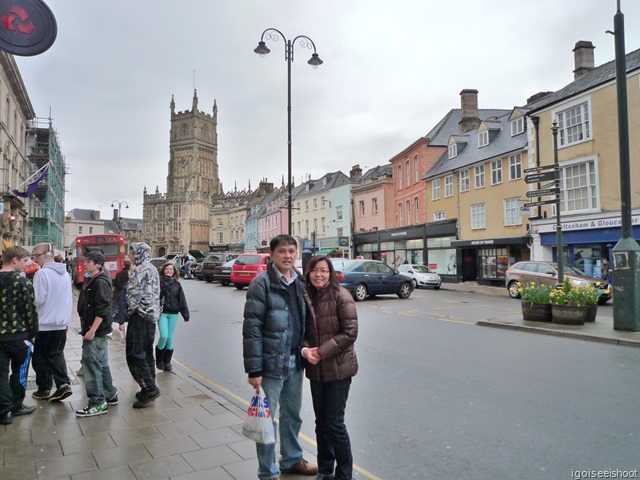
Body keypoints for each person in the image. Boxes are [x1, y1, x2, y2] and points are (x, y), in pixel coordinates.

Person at [242, 234, 318, 480]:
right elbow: (251, 328)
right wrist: (254, 370)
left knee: (292, 415)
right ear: (272, 254)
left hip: (295, 361)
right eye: (282, 251)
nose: (287, 256)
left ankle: (292, 460)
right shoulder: (261, 283)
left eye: (291, 251)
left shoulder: (300, 282)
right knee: (266, 420)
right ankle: (268, 472)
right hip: (270, 364)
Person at [302, 256, 358, 480]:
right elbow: (303, 332)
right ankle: (325, 470)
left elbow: (350, 334)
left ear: (330, 273)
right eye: (314, 270)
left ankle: (344, 474)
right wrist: (307, 351)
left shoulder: (341, 296)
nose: (319, 275)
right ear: (308, 273)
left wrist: (320, 352)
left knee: (334, 422)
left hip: (339, 369)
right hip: (316, 370)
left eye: (324, 271)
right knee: (320, 423)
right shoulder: (306, 297)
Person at [76, 251, 118, 417]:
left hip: (96, 332)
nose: (85, 264)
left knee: (91, 365)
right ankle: (110, 394)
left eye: (89, 262)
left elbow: (102, 309)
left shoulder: (100, 282)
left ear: (98, 264)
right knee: (102, 363)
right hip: (98, 330)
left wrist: (92, 330)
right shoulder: (92, 279)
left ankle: (97, 402)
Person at [0, 246, 38, 425]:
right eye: (24, 261)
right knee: (19, 374)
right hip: (18, 337)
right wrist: (33, 333)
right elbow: (30, 311)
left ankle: (4, 411)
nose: (27, 265)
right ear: (14, 260)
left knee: (1, 374)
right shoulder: (22, 282)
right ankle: (16, 405)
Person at [31, 242, 73, 402]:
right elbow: (68, 299)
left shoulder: (42, 274)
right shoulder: (65, 274)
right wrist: (66, 319)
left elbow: (38, 300)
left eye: (37, 255)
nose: (34, 258)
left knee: (40, 357)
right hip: (60, 322)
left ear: (47, 255)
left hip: (45, 323)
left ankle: (45, 388)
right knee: (56, 354)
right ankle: (63, 384)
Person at [125, 242, 161, 408]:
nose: (130, 256)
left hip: (139, 316)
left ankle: (150, 388)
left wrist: (129, 311)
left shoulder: (139, 270)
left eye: (132, 253)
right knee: (147, 353)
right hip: (151, 317)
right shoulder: (153, 268)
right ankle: (148, 386)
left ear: (140, 254)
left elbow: (134, 295)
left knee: (135, 354)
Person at [156, 262, 189, 372]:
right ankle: (159, 359)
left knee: (170, 338)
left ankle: (167, 362)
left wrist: (185, 315)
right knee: (164, 336)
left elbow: (182, 299)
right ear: (163, 271)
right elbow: (158, 296)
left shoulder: (177, 284)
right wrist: (165, 281)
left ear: (174, 271)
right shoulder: (159, 283)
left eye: (171, 269)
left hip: (173, 314)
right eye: (167, 269)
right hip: (162, 313)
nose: (169, 271)